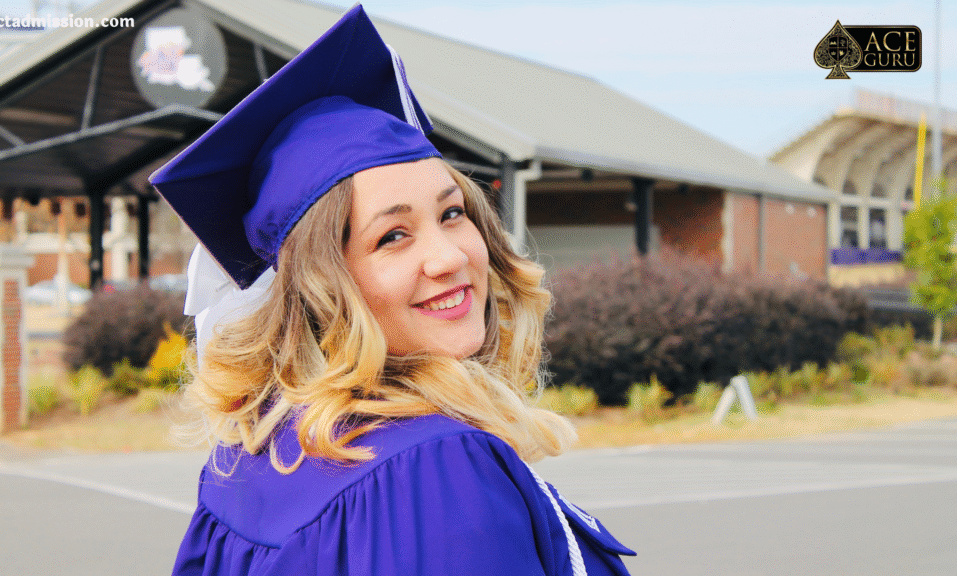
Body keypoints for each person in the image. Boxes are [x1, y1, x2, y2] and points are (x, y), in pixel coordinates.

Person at [151, 5, 635, 575]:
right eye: (393, 235)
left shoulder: (248, 458)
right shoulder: (436, 465)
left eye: (452, 213)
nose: (450, 256)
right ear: (317, 287)